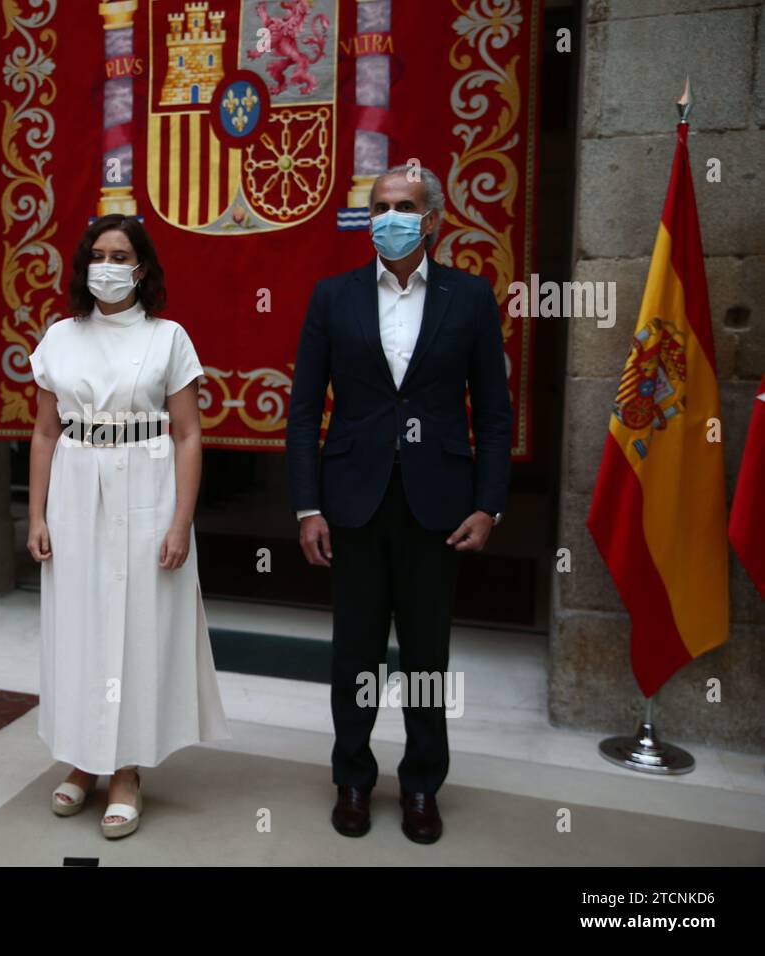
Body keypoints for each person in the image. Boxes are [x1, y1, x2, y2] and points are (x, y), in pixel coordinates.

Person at [287, 164, 512, 844]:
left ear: (433, 218)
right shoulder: (333, 297)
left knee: (425, 656)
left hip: (436, 505)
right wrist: (306, 507)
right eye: (382, 206)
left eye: (406, 206)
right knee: (353, 652)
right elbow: (303, 413)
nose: (392, 217)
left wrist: (489, 505)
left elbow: (495, 416)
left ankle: (420, 786)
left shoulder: (470, 298)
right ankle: (352, 777)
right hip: (352, 501)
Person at [27, 214, 230, 839]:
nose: (107, 264)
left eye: (120, 254)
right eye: (97, 252)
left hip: (148, 484)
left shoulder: (168, 338)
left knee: (138, 626)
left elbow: (190, 434)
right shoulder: (60, 336)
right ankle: (83, 760)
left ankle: (126, 770)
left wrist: (181, 521)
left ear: (141, 268)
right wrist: (35, 513)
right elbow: (43, 430)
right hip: (75, 487)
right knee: (81, 625)